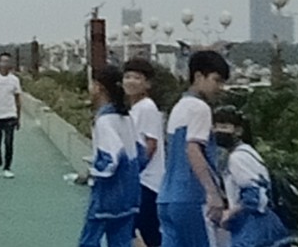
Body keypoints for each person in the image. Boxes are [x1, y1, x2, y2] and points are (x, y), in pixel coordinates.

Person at [155, 50, 229, 247]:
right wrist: (212, 193)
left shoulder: (179, 106)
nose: (220, 88)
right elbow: (193, 149)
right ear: (198, 76)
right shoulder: (200, 108)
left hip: (167, 198)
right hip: (192, 198)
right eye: (216, 80)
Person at [76, 66, 141, 247]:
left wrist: (91, 172)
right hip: (130, 192)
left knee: (89, 241)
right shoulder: (126, 117)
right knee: (121, 242)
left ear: (99, 87)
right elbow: (140, 152)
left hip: (109, 193)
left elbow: (111, 159)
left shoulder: (104, 120)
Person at [213, 108, 294, 247]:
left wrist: (229, 214)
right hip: (262, 224)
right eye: (215, 126)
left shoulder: (238, 158)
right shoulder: (248, 152)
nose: (217, 131)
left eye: (224, 126)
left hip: (252, 227)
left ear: (238, 131)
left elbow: (253, 196)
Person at [121, 58, 164, 247]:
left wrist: (133, 172)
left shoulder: (147, 107)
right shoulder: (135, 108)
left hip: (147, 181)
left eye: (137, 78)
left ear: (147, 84)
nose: (131, 81)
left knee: (148, 231)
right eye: (127, 76)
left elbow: (151, 144)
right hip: (138, 180)